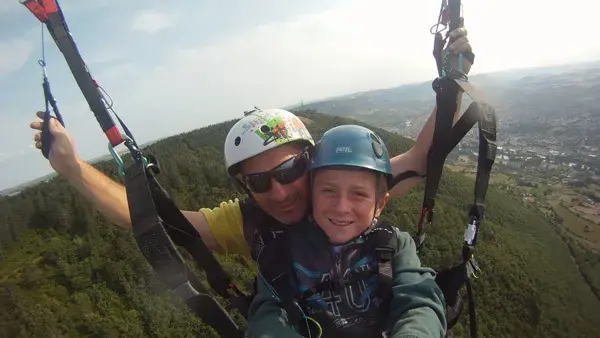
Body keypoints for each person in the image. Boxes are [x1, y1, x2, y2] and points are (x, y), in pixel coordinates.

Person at [28, 26, 473, 266]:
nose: (278, 191)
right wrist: (72, 167)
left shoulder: (343, 188)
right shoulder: (248, 222)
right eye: (259, 181)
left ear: (312, 163)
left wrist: (452, 81)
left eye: (288, 171)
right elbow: (152, 221)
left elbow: (421, 159)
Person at [246, 125, 446, 338]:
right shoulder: (283, 255)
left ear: (380, 204)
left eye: (358, 194)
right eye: (329, 191)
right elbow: (267, 317)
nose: (341, 207)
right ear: (311, 193)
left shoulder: (393, 245)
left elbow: (419, 303)